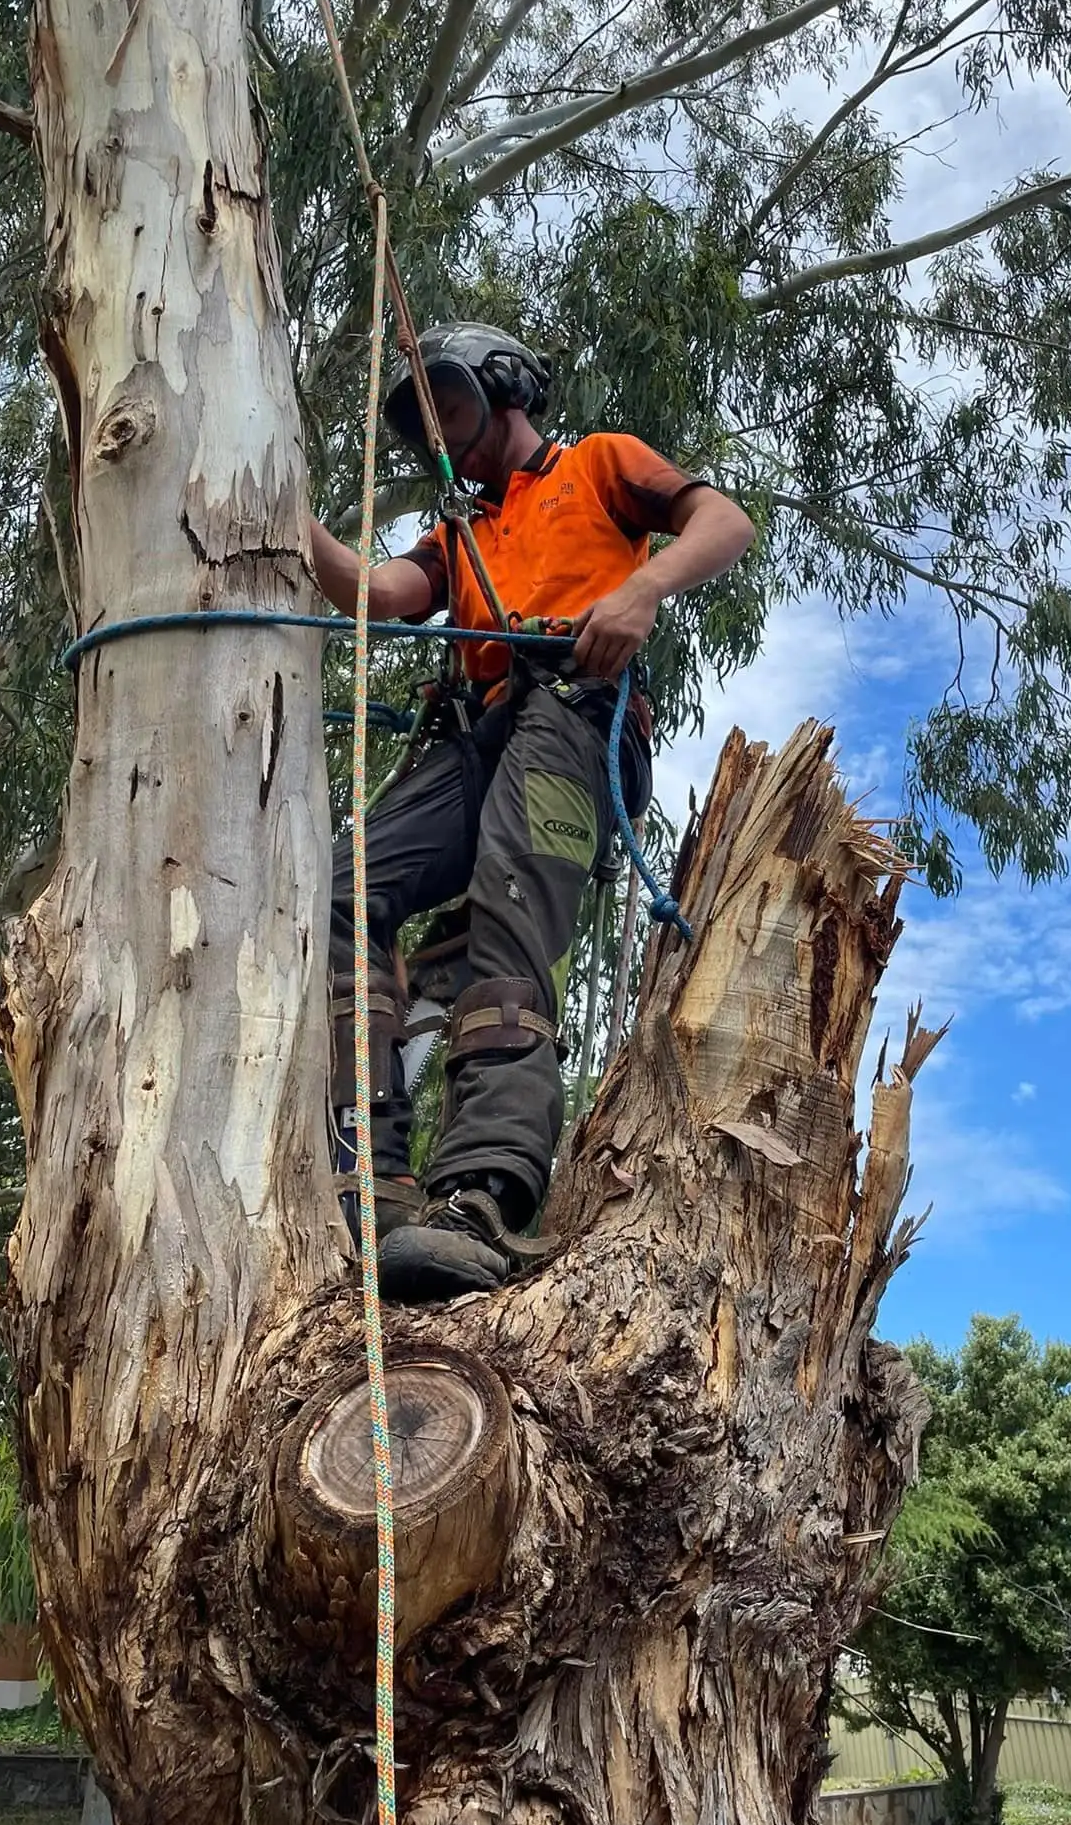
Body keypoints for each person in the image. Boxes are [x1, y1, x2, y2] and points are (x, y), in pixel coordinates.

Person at [308, 323, 755, 1304]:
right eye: (424, 425)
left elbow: (723, 521)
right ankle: (367, 1173)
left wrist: (640, 589)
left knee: (506, 935)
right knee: (336, 893)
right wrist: (288, 525)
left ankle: (480, 1198)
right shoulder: (462, 528)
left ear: (509, 391)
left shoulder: (598, 464)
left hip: (573, 714)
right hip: (475, 733)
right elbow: (381, 593)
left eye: (456, 409)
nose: (446, 440)